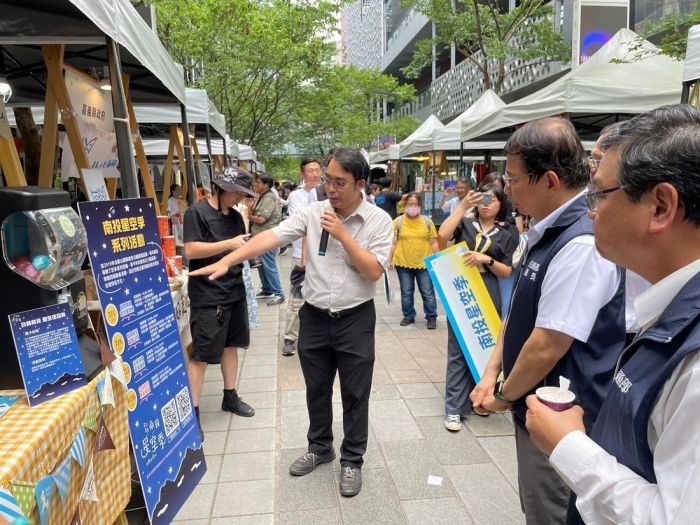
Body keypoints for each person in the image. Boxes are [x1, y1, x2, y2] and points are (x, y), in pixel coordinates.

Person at [525, 104, 700, 525]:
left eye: (599, 193)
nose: (590, 210)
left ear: (661, 206)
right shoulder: (671, 306)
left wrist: (568, 446)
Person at [190, 148, 393, 497]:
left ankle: (352, 460)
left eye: (340, 183)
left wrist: (344, 235)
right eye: (328, 179)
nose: (330, 188)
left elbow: (373, 271)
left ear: (360, 184)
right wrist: (229, 260)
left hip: (355, 319)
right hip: (313, 316)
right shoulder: (315, 213)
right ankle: (320, 447)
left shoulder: (379, 221)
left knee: (355, 394)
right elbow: (272, 237)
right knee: (315, 388)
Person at [470, 117, 627, 524]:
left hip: (562, 416)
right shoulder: (543, 231)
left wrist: (503, 398)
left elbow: (547, 343)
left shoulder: (580, 242)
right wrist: (492, 371)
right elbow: (520, 309)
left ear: (551, 181)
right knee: (536, 506)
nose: (507, 189)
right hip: (535, 408)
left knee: (552, 512)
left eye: (515, 178)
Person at [183, 167, 258, 441]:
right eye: (238, 191)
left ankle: (230, 395)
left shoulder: (237, 217)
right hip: (208, 295)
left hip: (235, 291)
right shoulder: (197, 213)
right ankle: (193, 413)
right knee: (201, 354)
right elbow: (190, 249)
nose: (241, 197)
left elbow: (241, 249)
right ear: (222, 187)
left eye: (244, 193)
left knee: (232, 345)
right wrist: (229, 244)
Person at [437, 183, 517, 432]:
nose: (486, 203)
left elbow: (506, 272)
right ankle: (453, 408)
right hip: (462, 286)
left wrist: (487, 259)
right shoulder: (466, 224)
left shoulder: (508, 232)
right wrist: (462, 206)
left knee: (484, 344)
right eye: (482, 197)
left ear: (501, 204)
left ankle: (478, 399)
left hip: (489, 287)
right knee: (458, 345)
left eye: (492, 199)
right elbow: (442, 236)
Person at [281, 158, 323, 356]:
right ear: (303, 174)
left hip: (324, 255)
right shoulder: (297, 196)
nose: (315, 174)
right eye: (310, 170)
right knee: (297, 297)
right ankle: (290, 337)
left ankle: (317, 337)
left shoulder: (327, 192)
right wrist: (305, 258)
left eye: (317, 170)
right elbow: (307, 225)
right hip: (301, 255)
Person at [388, 192, 439, 329]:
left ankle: (431, 316)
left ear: (420, 206)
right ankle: (408, 316)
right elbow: (393, 243)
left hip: (424, 262)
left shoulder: (427, 222)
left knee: (427, 291)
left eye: (416, 204)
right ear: (405, 205)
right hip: (403, 261)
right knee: (406, 291)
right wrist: (389, 260)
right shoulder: (398, 222)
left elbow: (433, 242)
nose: (413, 207)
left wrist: (438, 259)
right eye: (410, 204)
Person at [250, 173, 285, 306]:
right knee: (261, 264)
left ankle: (279, 293)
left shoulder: (269, 197)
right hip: (261, 236)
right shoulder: (262, 196)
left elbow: (261, 219)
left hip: (268, 236)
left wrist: (249, 215)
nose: (255, 184)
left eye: (258, 182)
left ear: (266, 185)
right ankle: (267, 289)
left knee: (269, 264)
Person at [168, 183, 184, 248]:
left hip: (180, 217)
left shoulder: (180, 200)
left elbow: (182, 210)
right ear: (173, 191)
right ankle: (181, 237)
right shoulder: (170, 200)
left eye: (179, 190)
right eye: (177, 190)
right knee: (177, 220)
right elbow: (168, 211)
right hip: (173, 218)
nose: (179, 191)